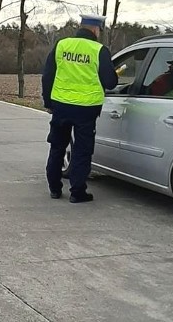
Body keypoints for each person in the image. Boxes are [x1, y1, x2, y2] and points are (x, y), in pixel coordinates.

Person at [42, 14, 118, 203]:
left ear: (81, 26)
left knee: (57, 146)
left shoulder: (62, 45)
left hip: (61, 105)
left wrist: (48, 103)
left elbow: (48, 76)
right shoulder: (99, 50)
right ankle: (77, 192)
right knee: (82, 150)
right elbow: (110, 82)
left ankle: (54, 188)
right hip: (86, 109)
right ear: (95, 29)